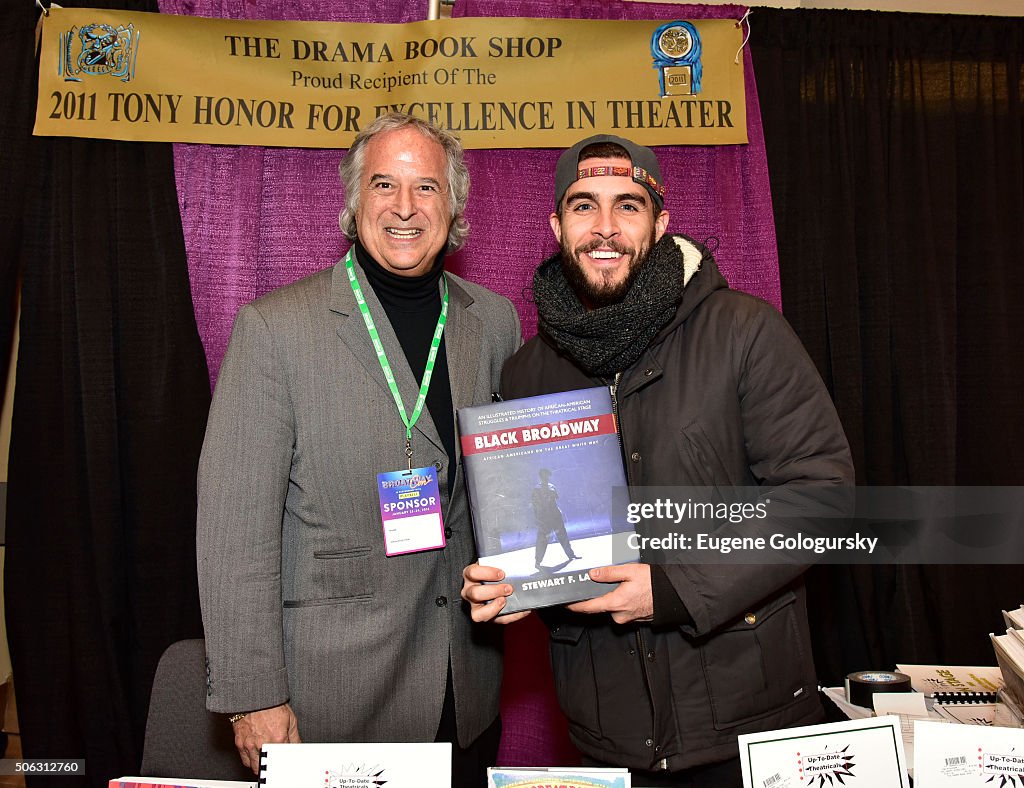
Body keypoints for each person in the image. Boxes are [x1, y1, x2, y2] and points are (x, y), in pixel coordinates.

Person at [462, 134, 853, 786]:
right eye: (584, 207)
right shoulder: (528, 372)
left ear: (661, 222)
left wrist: (671, 588)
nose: (606, 228)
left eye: (629, 206)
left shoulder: (744, 332)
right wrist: (511, 584)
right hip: (606, 737)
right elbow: (535, 532)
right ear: (557, 225)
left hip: (746, 728)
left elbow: (822, 499)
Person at [197, 112, 521, 786]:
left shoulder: (492, 321)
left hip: (464, 685)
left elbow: (503, 488)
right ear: (353, 201)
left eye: (426, 187)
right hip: (333, 698)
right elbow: (234, 534)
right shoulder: (275, 330)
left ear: (454, 205)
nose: (405, 208)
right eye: (383, 185)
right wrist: (254, 696)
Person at [532, 468, 580, 569]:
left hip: (555, 515)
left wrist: (560, 512)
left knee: (563, 536)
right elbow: (536, 505)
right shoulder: (536, 489)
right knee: (542, 540)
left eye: (548, 475)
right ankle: (538, 561)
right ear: (541, 476)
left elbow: (555, 501)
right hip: (544, 517)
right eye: (545, 475)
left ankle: (570, 554)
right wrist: (538, 519)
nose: (547, 477)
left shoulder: (552, 486)